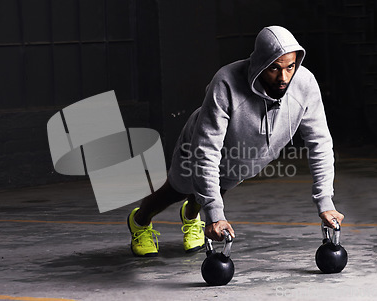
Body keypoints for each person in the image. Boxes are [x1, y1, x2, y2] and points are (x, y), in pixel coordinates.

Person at [127, 25, 345, 257]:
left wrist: (325, 201)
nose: (284, 77)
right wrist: (216, 215)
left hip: (244, 158)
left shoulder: (305, 84)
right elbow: (206, 151)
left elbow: (319, 142)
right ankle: (140, 220)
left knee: (215, 190)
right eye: (274, 68)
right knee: (178, 190)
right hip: (200, 145)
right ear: (261, 63)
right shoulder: (226, 82)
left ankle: (191, 217)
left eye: (290, 67)